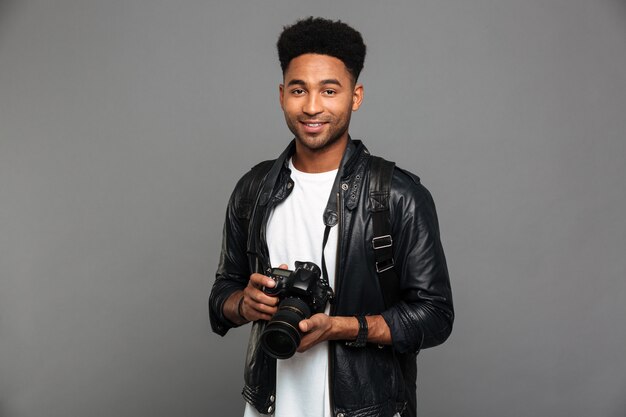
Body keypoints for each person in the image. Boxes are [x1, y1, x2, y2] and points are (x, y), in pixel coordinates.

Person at [209, 17, 453, 417]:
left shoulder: (397, 195)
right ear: (281, 94)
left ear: (355, 97)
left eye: (329, 90)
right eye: (298, 89)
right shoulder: (254, 190)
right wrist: (244, 303)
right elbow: (222, 293)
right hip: (268, 405)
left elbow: (436, 316)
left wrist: (341, 326)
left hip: (367, 408)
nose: (312, 106)